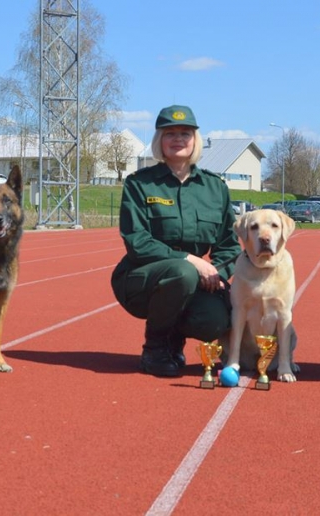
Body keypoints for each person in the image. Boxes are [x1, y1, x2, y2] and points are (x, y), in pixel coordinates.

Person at [111, 105, 241, 377]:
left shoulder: (215, 188)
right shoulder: (140, 184)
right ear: (159, 140)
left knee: (216, 319)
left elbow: (229, 246)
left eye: (185, 133)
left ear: (195, 140)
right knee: (182, 272)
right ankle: (155, 348)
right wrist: (192, 261)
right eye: (170, 133)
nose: (178, 139)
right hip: (141, 279)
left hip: (192, 281)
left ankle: (174, 341)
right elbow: (137, 241)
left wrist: (217, 273)